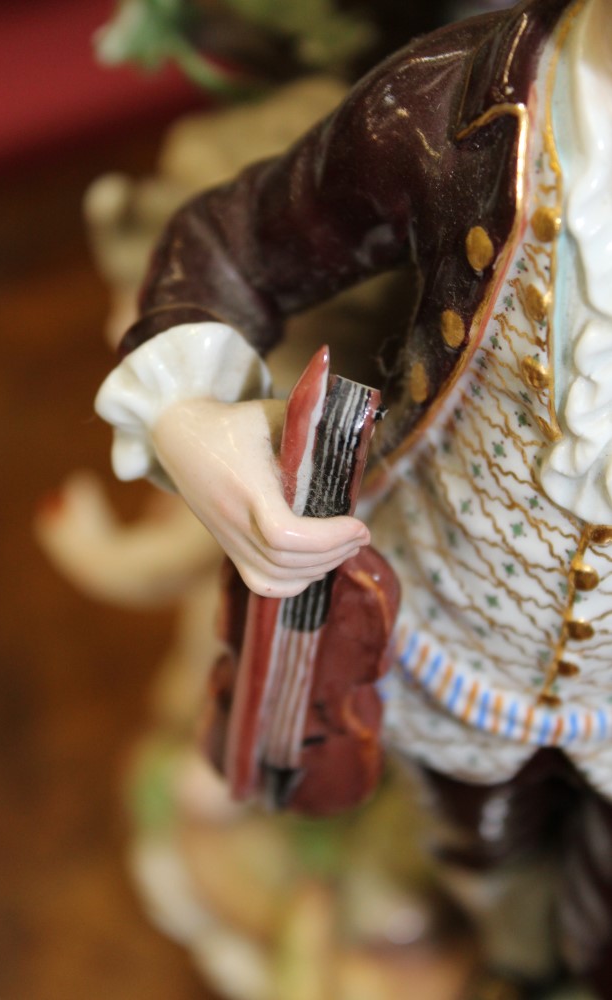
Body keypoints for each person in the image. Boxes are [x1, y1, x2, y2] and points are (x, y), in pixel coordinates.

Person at [96, 0, 612, 993]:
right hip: (452, 626)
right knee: (481, 850)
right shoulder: (467, 97)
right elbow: (242, 240)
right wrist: (190, 419)